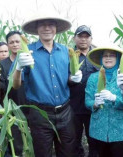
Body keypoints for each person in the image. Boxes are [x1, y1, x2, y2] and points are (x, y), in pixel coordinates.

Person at [13, 14, 82, 157]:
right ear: (36, 28)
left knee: (68, 153)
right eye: (42, 24)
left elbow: (68, 78)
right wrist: (19, 67)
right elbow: (15, 85)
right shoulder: (26, 52)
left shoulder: (65, 51)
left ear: (56, 28)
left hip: (65, 112)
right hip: (40, 114)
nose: (46, 28)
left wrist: (74, 78)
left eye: (50, 24)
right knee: (42, 153)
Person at [85, 46, 123, 157]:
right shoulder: (93, 78)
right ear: (101, 58)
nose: (108, 58)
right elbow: (87, 101)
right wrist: (95, 104)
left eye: (112, 55)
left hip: (121, 131)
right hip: (98, 131)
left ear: (117, 58)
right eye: (105, 55)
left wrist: (115, 98)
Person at [69, 25, 98, 157]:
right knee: (74, 141)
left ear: (91, 39)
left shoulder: (98, 56)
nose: (83, 39)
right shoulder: (69, 55)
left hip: (94, 106)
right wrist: (71, 79)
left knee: (94, 140)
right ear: (74, 38)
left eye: (87, 37)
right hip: (73, 107)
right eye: (80, 36)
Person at [0, 31, 28, 156]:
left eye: (18, 41)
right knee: (17, 146)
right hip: (13, 111)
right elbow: (2, 88)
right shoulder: (2, 64)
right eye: (12, 42)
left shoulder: (29, 60)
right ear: (8, 45)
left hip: (33, 109)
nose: (15, 44)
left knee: (35, 144)